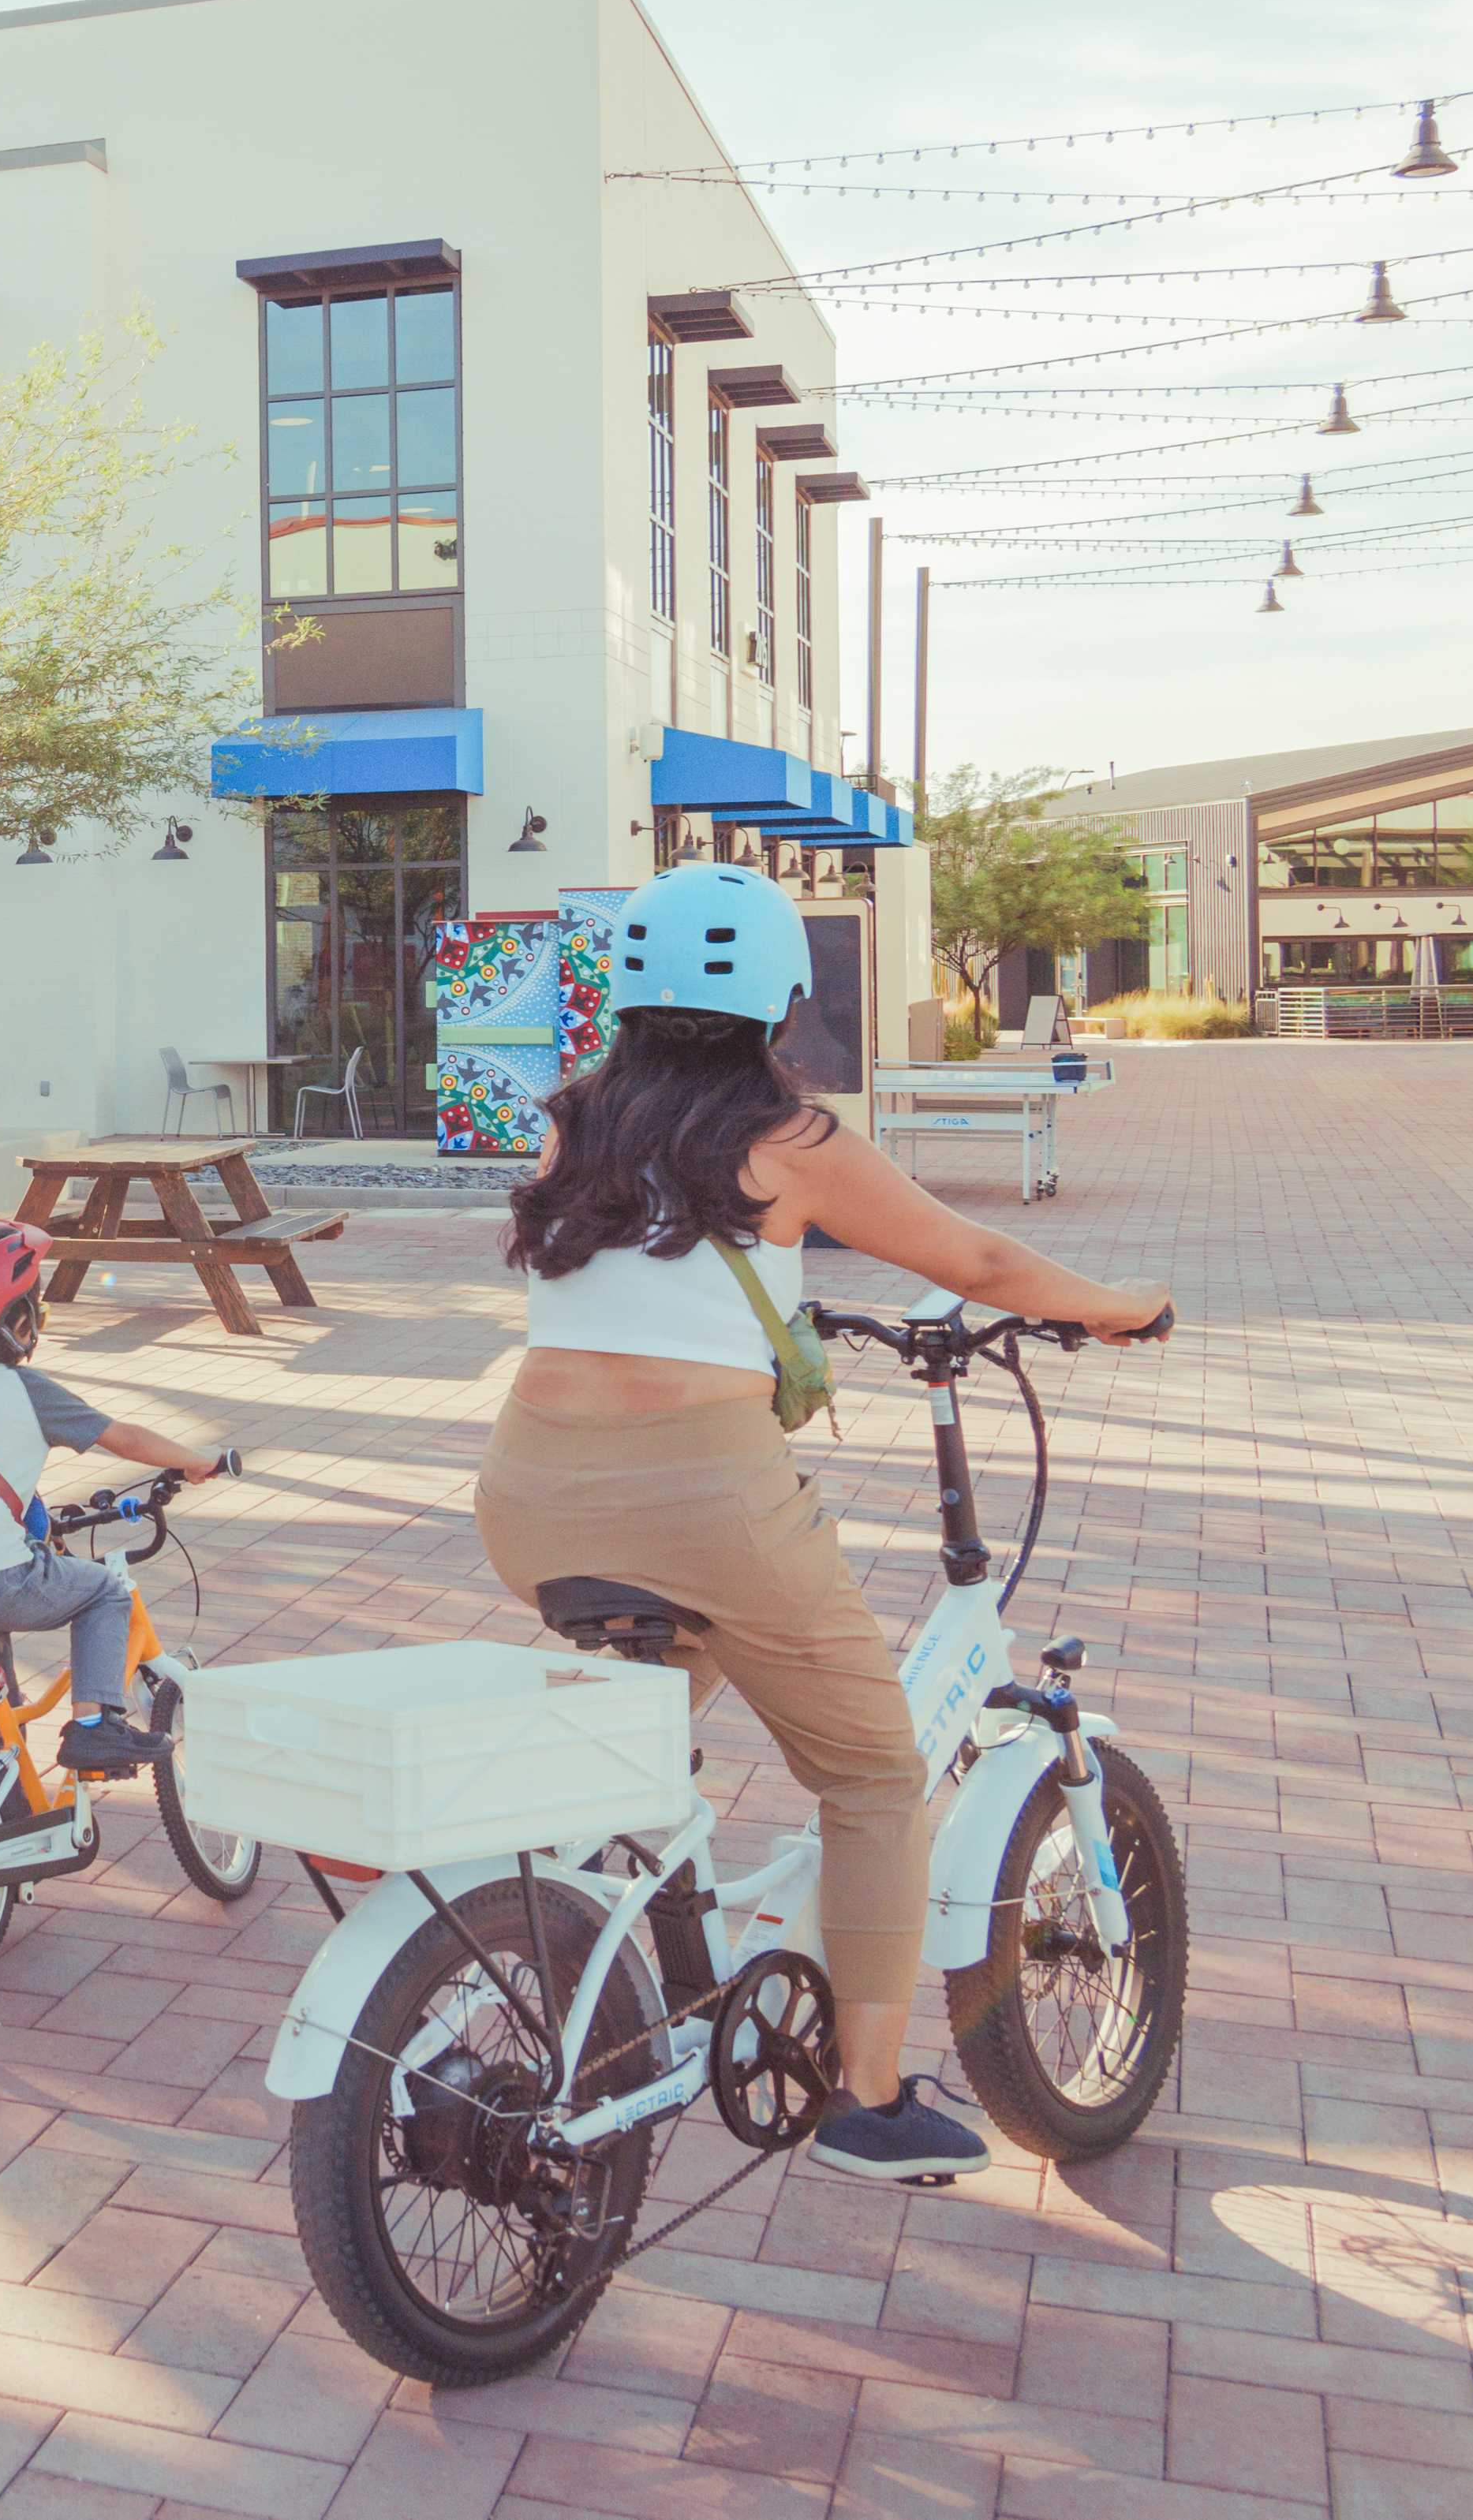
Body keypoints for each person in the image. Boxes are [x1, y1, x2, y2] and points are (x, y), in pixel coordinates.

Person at [492, 861, 1169, 2187]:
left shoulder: (568, 1122)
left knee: (636, 1727)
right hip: (704, 1493)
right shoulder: (789, 1142)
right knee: (869, 1775)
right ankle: (863, 2096)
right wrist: (1115, 1303)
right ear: (776, 1001)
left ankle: (598, 1932)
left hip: (529, 1491)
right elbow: (976, 1265)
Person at [0, 1218, 241, 1773]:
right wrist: (194, 1461)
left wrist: (22, 1507)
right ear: (16, 1319)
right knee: (105, 1593)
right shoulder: (29, 1392)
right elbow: (122, 1438)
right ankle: (96, 1726)